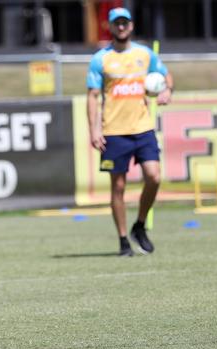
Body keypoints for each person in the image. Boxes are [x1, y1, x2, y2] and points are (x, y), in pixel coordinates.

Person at [87, 7, 173, 257]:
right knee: (119, 187)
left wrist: (168, 91)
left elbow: (168, 78)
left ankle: (140, 224)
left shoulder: (145, 55)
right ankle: (124, 240)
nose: (121, 27)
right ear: (110, 27)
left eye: (125, 23)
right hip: (113, 131)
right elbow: (92, 96)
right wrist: (94, 129)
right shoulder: (100, 59)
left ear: (131, 26)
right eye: (117, 23)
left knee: (154, 177)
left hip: (143, 128)